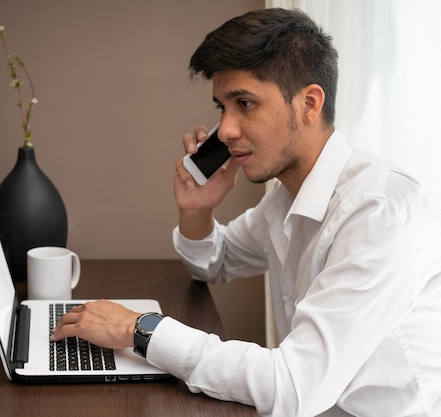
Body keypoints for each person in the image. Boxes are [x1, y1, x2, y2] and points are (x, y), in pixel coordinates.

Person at [51, 8, 441, 417]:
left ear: (309, 104)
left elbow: (293, 385)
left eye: (245, 103)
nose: (225, 130)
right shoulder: (287, 195)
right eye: (222, 106)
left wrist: (137, 329)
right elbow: (213, 263)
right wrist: (197, 211)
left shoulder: (377, 215)